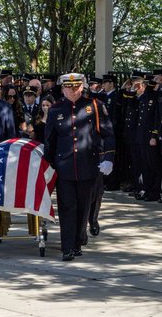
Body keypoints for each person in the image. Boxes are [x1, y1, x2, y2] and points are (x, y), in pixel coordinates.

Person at [43, 73, 114, 261]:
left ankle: (78, 241)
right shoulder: (56, 109)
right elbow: (49, 139)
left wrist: (108, 158)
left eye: (76, 87)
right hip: (64, 166)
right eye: (68, 87)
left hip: (88, 165)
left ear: (82, 87)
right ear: (63, 88)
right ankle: (67, 247)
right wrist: (48, 162)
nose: (72, 90)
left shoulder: (95, 106)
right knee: (67, 207)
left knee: (84, 207)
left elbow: (108, 134)